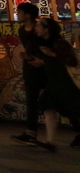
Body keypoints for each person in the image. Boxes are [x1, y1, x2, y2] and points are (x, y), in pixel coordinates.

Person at [27, 17, 80, 152]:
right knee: (48, 108)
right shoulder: (43, 43)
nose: (36, 28)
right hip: (54, 83)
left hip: (66, 84)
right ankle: (50, 141)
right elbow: (51, 62)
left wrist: (52, 54)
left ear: (47, 29)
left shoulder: (59, 43)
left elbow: (71, 61)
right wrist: (40, 61)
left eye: (39, 26)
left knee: (74, 111)